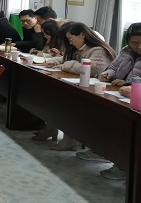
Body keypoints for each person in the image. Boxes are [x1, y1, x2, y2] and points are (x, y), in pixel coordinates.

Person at [73, 22, 141, 181]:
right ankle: (103, 151)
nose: (138, 47)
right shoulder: (126, 51)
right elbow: (113, 67)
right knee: (103, 116)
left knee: (126, 127)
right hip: (118, 94)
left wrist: (130, 86)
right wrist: (108, 74)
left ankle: (123, 166)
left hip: (135, 100)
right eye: (134, 43)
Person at [41, 22, 116, 150]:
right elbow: (65, 59)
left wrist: (66, 65)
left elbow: (92, 69)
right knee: (53, 96)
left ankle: (71, 138)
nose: (70, 43)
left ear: (82, 35)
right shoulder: (78, 48)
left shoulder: (98, 50)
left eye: (71, 38)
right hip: (81, 86)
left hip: (97, 91)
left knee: (68, 102)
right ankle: (51, 128)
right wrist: (53, 61)